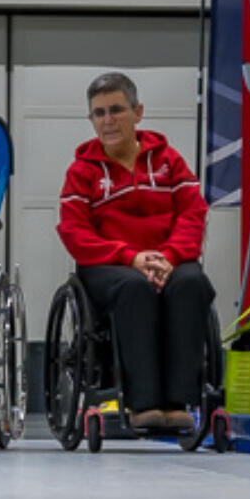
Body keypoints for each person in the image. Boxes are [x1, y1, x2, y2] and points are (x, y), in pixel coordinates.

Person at [56, 72, 215, 431]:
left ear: (138, 112)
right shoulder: (82, 172)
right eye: (99, 113)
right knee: (134, 287)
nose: (108, 120)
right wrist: (131, 257)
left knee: (192, 284)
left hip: (168, 258)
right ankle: (142, 403)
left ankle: (178, 402)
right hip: (111, 264)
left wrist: (170, 256)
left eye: (116, 110)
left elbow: (193, 213)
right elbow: (74, 232)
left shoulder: (169, 160)